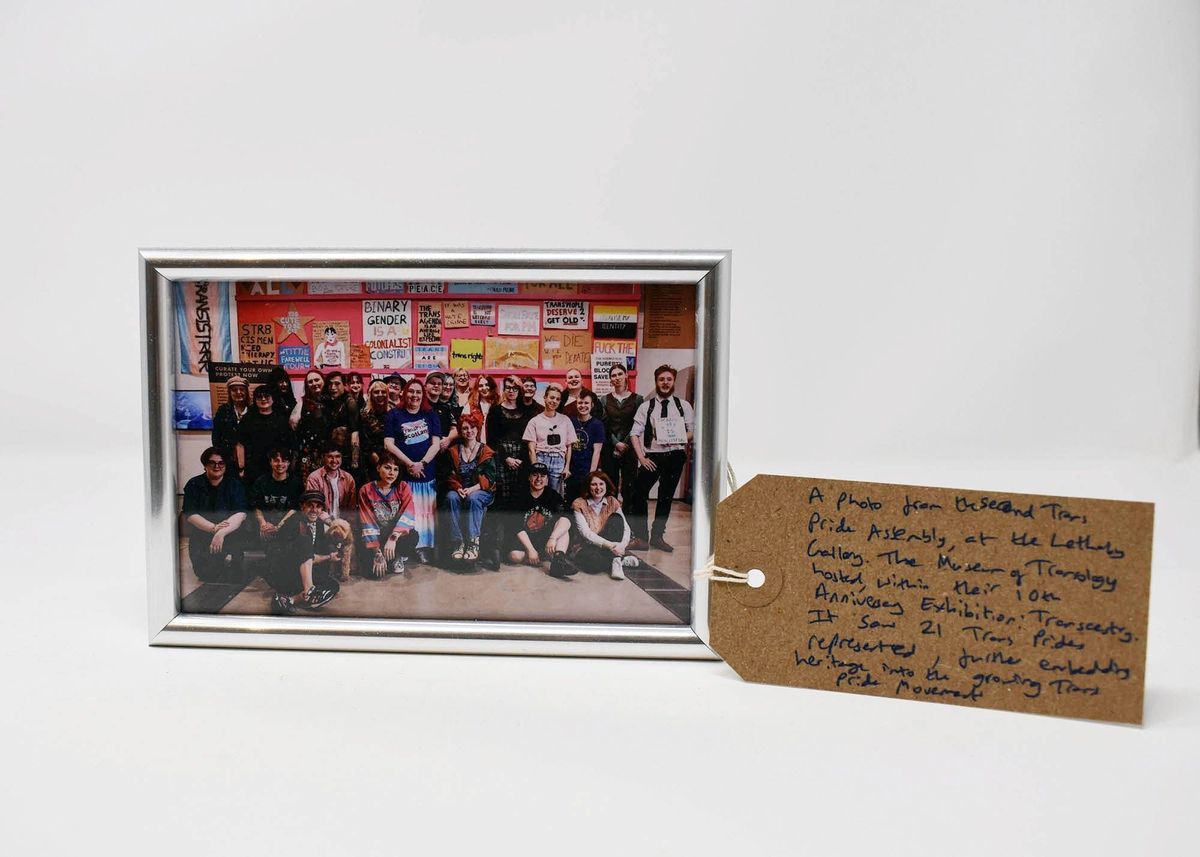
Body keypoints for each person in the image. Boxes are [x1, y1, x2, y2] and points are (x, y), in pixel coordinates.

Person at [627, 365, 695, 553]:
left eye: (668, 379)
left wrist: (677, 438)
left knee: (666, 496)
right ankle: (641, 537)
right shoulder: (646, 407)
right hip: (653, 456)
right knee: (638, 493)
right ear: (656, 382)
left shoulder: (683, 406)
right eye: (661, 379)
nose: (665, 383)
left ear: (673, 381)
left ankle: (658, 536)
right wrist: (641, 457)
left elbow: (692, 432)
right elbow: (634, 434)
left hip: (675, 455)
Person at [384, 378, 442, 564]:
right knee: (409, 513)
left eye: (418, 392)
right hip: (405, 475)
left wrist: (422, 463)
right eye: (411, 391)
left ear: (422, 394)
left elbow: (436, 444)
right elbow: (388, 444)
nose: (414, 395)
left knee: (427, 513)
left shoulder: (430, 414)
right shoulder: (394, 414)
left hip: (427, 474)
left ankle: (425, 548)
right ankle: (407, 547)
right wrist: (410, 464)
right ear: (404, 393)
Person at [264, 490, 340, 615]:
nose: (314, 510)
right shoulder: (293, 522)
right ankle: (310, 591)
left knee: (333, 585)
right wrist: (328, 557)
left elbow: (312, 557)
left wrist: (330, 555)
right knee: (305, 540)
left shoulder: (319, 524)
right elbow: (303, 555)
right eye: (310, 505)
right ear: (302, 506)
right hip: (284, 571)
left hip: (302, 573)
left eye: (318, 506)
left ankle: (291, 599)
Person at [181, 447, 248, 584]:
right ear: (205, 465)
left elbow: (240, 514)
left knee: (234, 575)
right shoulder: (194, 484)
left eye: (221, 463)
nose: (217, 466)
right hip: (203, 534)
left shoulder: (234, 485)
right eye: (212, 463)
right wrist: (214, 528)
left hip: (229, 534)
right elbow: (190, 514)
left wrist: (220, 533)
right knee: (205, 574)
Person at [507, 463, 574, 578]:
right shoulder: (519, 496)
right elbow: (516, 526)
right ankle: (541, 558)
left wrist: (553, 538)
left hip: (547, 541)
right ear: (529, 478)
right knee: (514, 556)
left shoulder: (553, 495)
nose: (539, 479)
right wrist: (531, 550)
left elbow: (566, 519)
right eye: (535, 475)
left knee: (563, 529)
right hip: (526, 541)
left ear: (547, 479)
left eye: (543, 476)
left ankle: (558, 560)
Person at [444, 412, 496, 561]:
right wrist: (457, 487)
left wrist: (473, 488)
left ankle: (473, 543)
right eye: (465, 428)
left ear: (478, 429)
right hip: (460, 489)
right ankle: (458, 542)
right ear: (461, 431)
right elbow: (449, 474)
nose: (469, 431)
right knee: (451, 497)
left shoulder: (486, 451)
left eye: (473, 427)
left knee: (473, 499)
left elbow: (491, 478)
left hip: (481, 490)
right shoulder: (454, 451)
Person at [358, 451, 418, 577]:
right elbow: (367, 520)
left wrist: (393, 538)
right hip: (377, 535)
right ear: (378, 467)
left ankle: (398, 556)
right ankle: (383, 555)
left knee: (413, 536)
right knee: (375, 575)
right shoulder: (366, 490)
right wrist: (377, 553)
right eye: (387, 467)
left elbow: (408, 513)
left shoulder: (403, 487)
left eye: (396, 469)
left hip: (396, 536)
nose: (392, 473)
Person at [570, 471, 639, 580]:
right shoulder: (579, 503)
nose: (598, 488)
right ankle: (618, 560)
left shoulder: (612, 501)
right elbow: (585, 533)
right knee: (593, 564)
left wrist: (622, 546)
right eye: (594, 484)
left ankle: (616, 559)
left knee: (617, 518)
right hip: (586, 546)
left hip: (608, 545)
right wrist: (611, 546)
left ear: (606, 485)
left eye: (601, 484)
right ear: (588, 486)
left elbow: (626, 527)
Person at [304, 444, 358, 579]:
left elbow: (351, 508)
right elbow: (314, 508)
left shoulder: (348, 478)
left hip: (342, 524)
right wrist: (332, 522)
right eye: (330, 457)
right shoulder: (314, 478)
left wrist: (346, 525)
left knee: (350, 544)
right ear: (323, 458)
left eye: (337, 456)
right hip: (322, 522)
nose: (334, 460)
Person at [486, 374, 535, 504]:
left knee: (520, 493)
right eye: (508, 388)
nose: (511, 391)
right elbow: (492, 439)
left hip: (522, 457)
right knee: (502, 495)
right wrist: (506, 458)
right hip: (501, 456)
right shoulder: (495, 411)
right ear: (504, 390)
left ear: (520, 390)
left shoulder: (526, 411)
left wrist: (520, 458)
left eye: (515, 388)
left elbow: (529, 438)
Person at [522, 383, 576, 498]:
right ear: (545, 398)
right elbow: (531, 448)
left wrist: (566, 467)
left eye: (557, 399)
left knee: (556, 496)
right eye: (551, 397)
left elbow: (569, 446)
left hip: (558, 460)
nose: (554, 401)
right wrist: (535, 468)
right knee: (539, 494)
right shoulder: (534, 421)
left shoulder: (565, 420)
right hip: (541, 459)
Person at [599, 363, 643, 501]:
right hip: (609, 448)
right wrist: (616, 443)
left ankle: (628, 519)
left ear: (626, 375)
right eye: (613, 375)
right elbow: (603, 425)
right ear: (610, 379)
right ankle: (611, 519)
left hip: (630, 448)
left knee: (629, 487)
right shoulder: (604, 399)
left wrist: (624, 444)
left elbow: (638, 424)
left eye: (619, 374)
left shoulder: (638, 399)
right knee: (610, 485)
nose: (617, 377)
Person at [236, 384, 294, 486]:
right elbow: (240, 444)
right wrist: (241, 467)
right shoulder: (248, 419)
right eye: (259, 397)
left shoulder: (281, 419)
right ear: (255, 400)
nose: (263, 399)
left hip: (277, 466)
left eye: (266, 396)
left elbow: (289, 444)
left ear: (273, 399)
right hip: (254, 466)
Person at [248, 446, 301, 546]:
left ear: (289, 463)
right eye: (276, 460)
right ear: (270, 462)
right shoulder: (261, 482)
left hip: (286, 527)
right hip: (265, 527)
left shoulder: (296, 483)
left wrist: (278, 527)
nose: (280, 464)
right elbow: (256, 506)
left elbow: (295, 509)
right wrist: (263, 524)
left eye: (284, 461)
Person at [565, 389, 605, 501]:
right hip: (571, 470)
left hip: (587, 470)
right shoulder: (570, 421)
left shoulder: (597, 424)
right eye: (580, 403)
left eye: (586, 403)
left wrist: (591, 474)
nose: (583, 406)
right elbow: (567, 446)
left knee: (586, 501)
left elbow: (597, 451)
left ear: (592, 405)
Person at [290, 369, 328, 480]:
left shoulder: (332, 401)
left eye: (317, 380)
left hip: (328, 453)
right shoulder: (303, 402)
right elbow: (293, 424)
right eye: (310, 382)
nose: (314, 383)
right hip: (307, 454)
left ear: (323, 381)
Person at [211, 375, 250, 476]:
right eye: (234, 390)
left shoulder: (253, 411)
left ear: (246, 392)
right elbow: (216, 436)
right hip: (228, 458)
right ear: (229, 393)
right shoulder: (223, 410)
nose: (238, 392)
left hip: (250, 459)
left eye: (241, 389)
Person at [323, 370, 360, 469]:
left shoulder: (350, 402)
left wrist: (354, 460)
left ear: (344, 385)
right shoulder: (329, 401)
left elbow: (355, 432)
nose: (333, 387)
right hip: (331, 453)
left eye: (337, 384)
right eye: (330, 384)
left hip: (346, 454)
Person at [357, 379, 390, 485]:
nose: (380, 394)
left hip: (390, 458)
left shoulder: (393, 412)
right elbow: (364, 439)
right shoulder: (364, 414)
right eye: (376, 392)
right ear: (371, 394)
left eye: (383, 392)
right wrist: (375, 456)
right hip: (370, 459)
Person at [467, 374, 498, 442]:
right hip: (476, 445)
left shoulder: (498, 403)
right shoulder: (471, 405)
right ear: (477, 388)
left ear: (491, 386)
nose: (484, 388)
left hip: (494, 446)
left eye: (487, 385)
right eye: (481, 386)